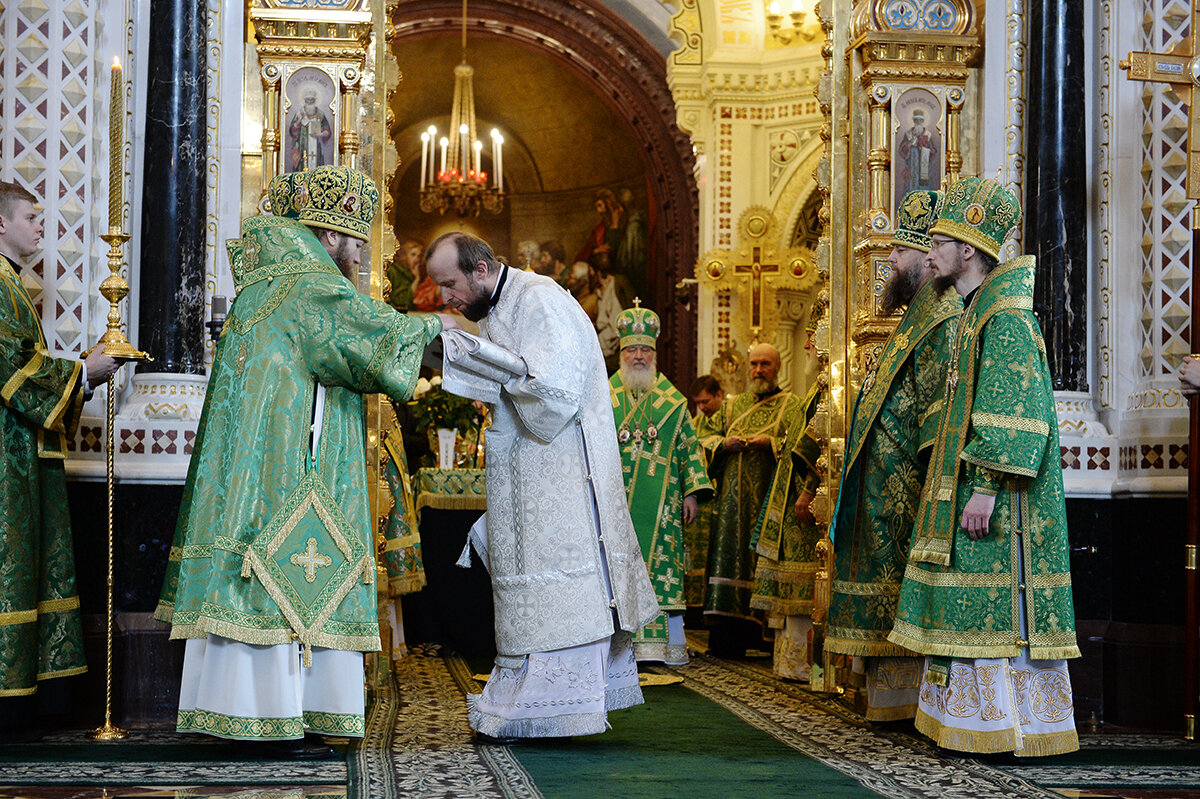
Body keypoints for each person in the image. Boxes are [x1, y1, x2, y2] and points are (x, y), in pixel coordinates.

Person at [156, 166, 455, 758]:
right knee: (284, 570)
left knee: (252, 566)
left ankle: (237, 710)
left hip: (250, 466)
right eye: (357, 235)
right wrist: (434, 324)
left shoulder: (264, 285)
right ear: (332, 232)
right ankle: (277, 715)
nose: (363, 248)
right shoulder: (310, 284)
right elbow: (364, 340)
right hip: (289, 464)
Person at [424, 231, 659, 740]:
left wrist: (464, 348)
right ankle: (534, 706)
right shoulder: (498, 309)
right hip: (526, 473)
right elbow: (512, 381)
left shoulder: (541, 300)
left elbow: (551, 398)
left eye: (450, 283)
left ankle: (561, 709)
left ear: (481, 268)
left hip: (563, 477)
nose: (447, 297)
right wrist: (457, 352)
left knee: (559, 586)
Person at [890, 177, 1080, 756]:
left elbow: (1014, 406)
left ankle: (1006, 724)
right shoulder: (975, 312)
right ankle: (977, 720)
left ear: (966, 251)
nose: (928, 253)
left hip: (993, 495)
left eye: (939, 242)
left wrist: (986, 488)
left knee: (992, 608)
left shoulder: (1005, 318)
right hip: (969, 485)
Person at [824, 189, 963, 722]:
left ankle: (907, 704)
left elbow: (937, 408)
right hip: (887, 484)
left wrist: (933, 485)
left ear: (923, 262)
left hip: (909, 489)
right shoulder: (918, 313)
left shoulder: (941, 317)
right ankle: (888, 701)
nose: (889, 264)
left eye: (897, 255)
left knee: (898, 592)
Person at [0, 181, 119, 739]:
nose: (41, 225)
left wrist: (78, 371)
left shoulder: (13, 285)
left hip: (24, 454)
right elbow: (13, 373)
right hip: (8, 461)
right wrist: (83, 374)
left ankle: (31, 704)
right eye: (31, 215)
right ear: (2, 224)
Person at [609, 305, 712, 664]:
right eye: (631, 350)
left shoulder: (673, 402)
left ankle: (658, 648)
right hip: (614, 501)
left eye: (645, 350)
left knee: (660, 567)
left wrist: (691, 493)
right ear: (621, 354)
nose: (639, 356)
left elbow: (689, 447)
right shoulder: (603, 399)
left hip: (664, 504)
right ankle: (617, 648)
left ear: (655, 354)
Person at [703, 342, 807, 656]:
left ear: (778, 368)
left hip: (767, 502)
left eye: (766, 364)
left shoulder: (792, 405)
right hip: (731, 508)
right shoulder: (732, 405)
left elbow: (800, 445)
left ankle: (757, 639)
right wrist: (725, 445)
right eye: (754, 364)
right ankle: (725, 640)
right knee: (730, 561)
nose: (759, 370)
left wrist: (771, 443)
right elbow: (705, 439)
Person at [748, 325, 823, 680]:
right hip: (787, 499)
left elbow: (818, 445)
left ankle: (803, 663)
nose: (807, 348)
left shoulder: (819, 395)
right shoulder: (812, 393)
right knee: (788, 584)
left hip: (803, 504)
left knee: (803, 586)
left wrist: (809, 490)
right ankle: (790, 663)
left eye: (812, 342)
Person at [684, 374, 725, 611]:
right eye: (697, 403)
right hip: (697, 501)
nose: (701, 408)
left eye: (706, 401)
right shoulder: (695, 424)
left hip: (719, 498)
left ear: (719, 395)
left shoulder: (730, 417)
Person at [288, 89, 333, 172]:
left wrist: (320, 134)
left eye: (311, 100)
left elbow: (327, 131)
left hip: (317, 144)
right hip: (302, 144)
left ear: (314, 101)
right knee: (302, 163)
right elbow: (292, 130)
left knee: (317, 162)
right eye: (308, 100)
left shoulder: (320, 114)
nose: (310, 102)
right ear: (305, 101)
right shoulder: (300, 113)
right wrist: (299, 121)